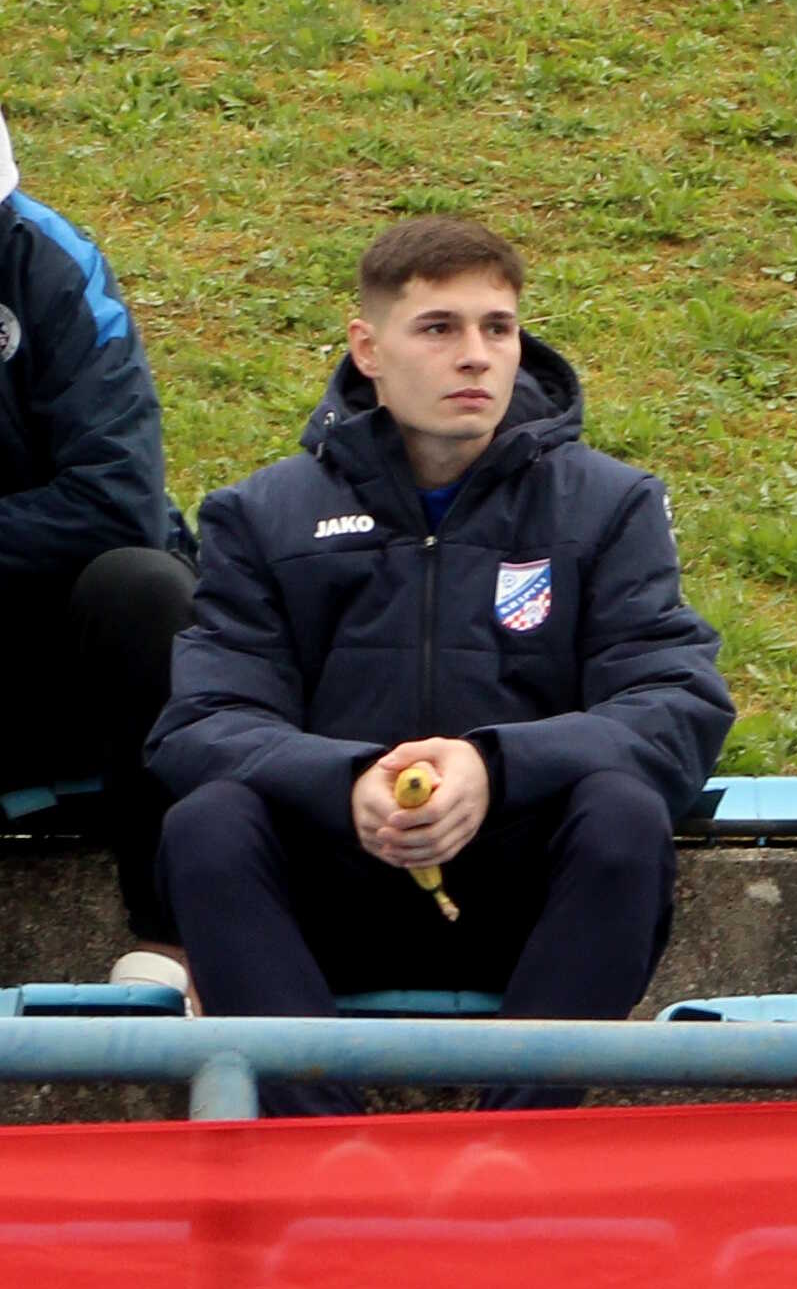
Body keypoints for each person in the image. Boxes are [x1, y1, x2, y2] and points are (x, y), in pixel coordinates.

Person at [149, 221, 733, 1112]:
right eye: (438, 327)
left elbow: (677, 702)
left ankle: (509, 1150)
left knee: (624, 813)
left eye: (498, 327)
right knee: (208, 823)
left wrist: (493, 768)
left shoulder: (611, 504)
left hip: (525, 902)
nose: (476, 355)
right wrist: (347, 782)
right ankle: (321, 1155)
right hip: (330, 899)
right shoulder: (261, 515)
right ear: (368, 349)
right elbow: (202, 721)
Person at [0, 110, 199, 989]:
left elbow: (118, 502)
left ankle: (173, 945)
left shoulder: (52, 265)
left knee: (144, 588)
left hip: (60, 655)